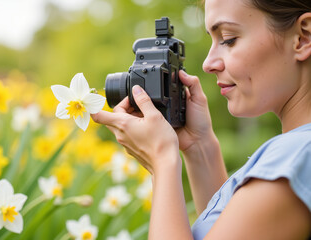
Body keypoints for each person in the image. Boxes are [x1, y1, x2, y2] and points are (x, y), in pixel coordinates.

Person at [91, 0, 311, 239]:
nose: (208, 64)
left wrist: (162, 159)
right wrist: (198, 146)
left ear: (302, 37)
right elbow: (226, 226)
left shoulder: (296, 157)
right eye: (212, 41)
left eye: (228, 39)